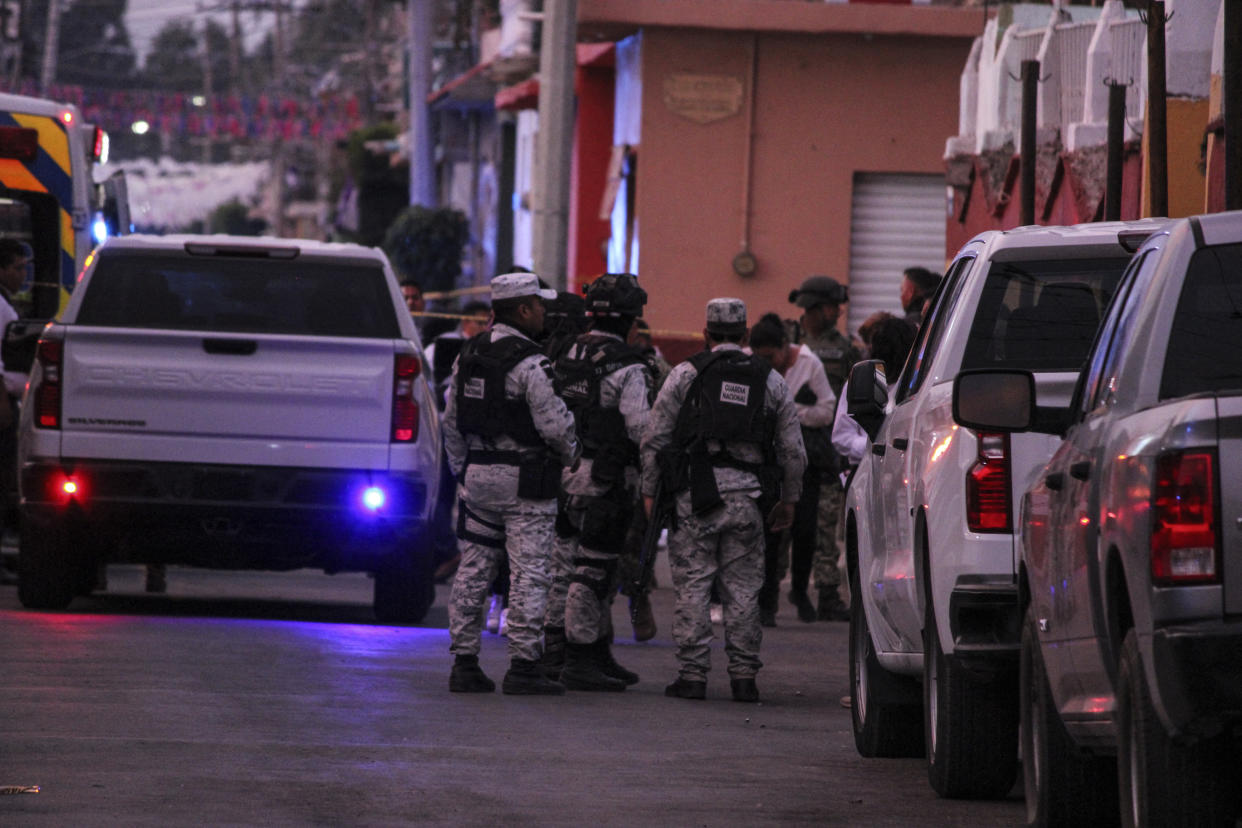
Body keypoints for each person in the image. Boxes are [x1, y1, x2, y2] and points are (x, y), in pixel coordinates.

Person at [640, 298, 806, 703]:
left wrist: (649, 492)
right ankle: (744, 677)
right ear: (746, 335)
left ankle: (693, 676)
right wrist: (789, 500)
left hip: (694, 499)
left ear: (705, 333)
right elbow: (792, 451)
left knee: (694, 586)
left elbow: (654, 438)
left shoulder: (684, 375)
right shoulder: (771, 380)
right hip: (747, 502)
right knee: (745, 590)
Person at [442, 271, 580, 695]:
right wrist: (572, 455)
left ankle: (464, 662)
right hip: (525, 482)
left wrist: (464, 470)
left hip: (479, 476)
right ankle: (523, 667)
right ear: (523, 309)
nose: (544, 313)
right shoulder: (531, 362)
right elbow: (555, 426)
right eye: (539, 306)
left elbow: (450, 421)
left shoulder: (468, 355)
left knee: (475, 565)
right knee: (530, 571)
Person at [549, 273, 653, 691]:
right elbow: (641, 428)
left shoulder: (563, 353)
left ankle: (570, 652)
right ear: (631, 321)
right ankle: (579, 658)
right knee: (593, 570)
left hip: (565, 474)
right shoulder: (628, 364)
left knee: (564, 566)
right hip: (607, 479)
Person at [748, 312, 837, 626]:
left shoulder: (809, 364)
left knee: (804, 530)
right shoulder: (751, 363)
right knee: (769, 534)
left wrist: (789, 413)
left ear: (785, 348)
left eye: (772, 357)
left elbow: (827, 410)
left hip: (802, 460)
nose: (767, 365)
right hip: (767, 461)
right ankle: (767, 601)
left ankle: (799, 590)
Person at [787, 275, 861, 621]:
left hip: (827, 451)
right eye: (833, 306)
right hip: (786, 448)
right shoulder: (786, 341)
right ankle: (768, 593)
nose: (838, 312)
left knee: (826, 521)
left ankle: (828, 593)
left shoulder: (845, 349)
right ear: (814, 307)